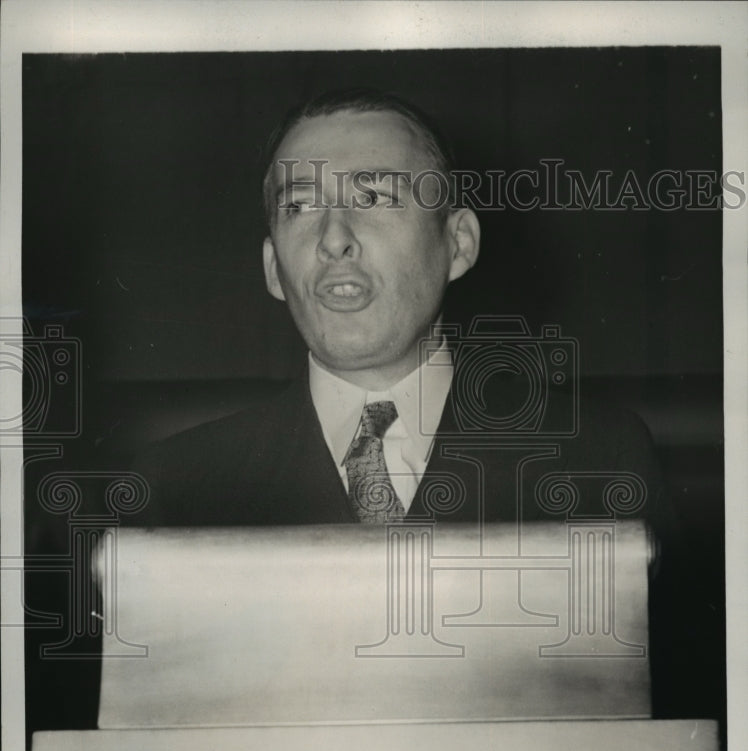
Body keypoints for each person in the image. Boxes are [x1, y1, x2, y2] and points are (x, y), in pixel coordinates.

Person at [133, 88, 673, 541]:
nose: (334, 239)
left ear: (457, 244)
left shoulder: (600, 462)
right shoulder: (178, 488)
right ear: (273, 267)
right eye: (299, 206)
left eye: (375, 198)